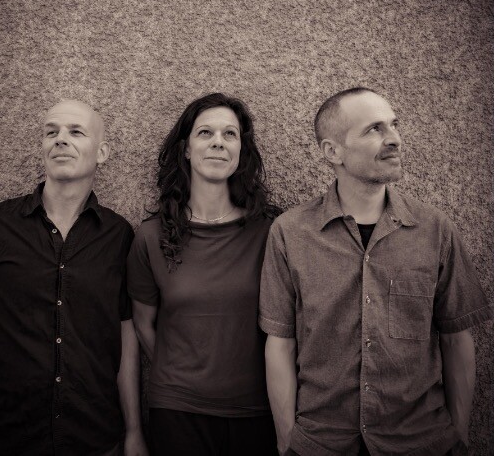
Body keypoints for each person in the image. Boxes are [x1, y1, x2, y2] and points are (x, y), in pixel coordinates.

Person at [259, 87, 492, 456]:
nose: (394, 138)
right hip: (322, 444)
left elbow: (456, 339)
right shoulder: (290, 233)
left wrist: (458, 436)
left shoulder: (434, 230)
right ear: (332, 152)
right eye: (374, 129)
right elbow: (280, 344)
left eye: (394, 125)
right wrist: (287, 441)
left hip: (421, 442)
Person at [0, 100, 148, 456]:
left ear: (102, 152)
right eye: (51, 131)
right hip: (4, 437)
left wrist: (134, 430)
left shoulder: (119, 236)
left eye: (76, 132)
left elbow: (125, 334)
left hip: (93, 438)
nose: (60, 139)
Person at [127, 93, 280, 456]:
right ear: (186, 148)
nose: (218, 142)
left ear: (241, 151)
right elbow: (142, 324)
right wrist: (186, 375)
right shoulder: (150, 236)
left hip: (256, 409)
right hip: (177, 410)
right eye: (205, 132)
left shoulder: (270, 232)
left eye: (230, 134)